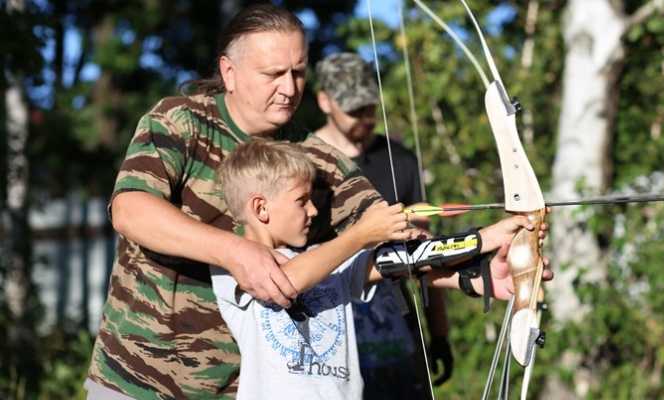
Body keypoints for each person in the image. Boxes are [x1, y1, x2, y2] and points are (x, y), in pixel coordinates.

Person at [84, 5, 387, 399]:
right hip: (138, 380)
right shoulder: (179, 122)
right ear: (229, 72)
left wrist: (473, 259)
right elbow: (131, 210)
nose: (290, 88)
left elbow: (386, 232)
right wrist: (235, 251)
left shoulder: (319, 159)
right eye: (273, 74)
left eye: (298, 72)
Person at [211, 139, 539, 400]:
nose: (313, 210)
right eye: (301, 200)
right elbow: (287, 281)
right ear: (260, 207)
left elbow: (409, 258)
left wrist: (489, 237)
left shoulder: (327, 257)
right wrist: (362, 233)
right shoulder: (231, 267)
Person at [313, 52, 450, 397]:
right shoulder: (301, 161)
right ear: (325, 101)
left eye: (370, 107)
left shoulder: (400, 160)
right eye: (354, 109)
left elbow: (425, 252)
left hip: (397, 324)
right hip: (330, 325)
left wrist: (440, 334)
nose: (366, 118)